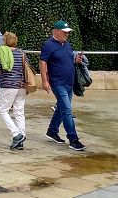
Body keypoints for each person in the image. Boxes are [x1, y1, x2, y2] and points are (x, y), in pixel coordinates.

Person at [40, 20, 87, 152]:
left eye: (68, 32)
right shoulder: (48, 45)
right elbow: (43, 63)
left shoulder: (67, 44)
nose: (67, 34)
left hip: (69, 83)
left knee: (61, 108)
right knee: (67, 110)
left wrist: (76, 60)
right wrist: (44, 81)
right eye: (65, 32)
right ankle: (73, 139)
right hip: (58, 83)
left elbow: (67, 59)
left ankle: (52, 131)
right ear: (56, 31)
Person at [0, 32, 27, 150]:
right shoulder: (22, 53)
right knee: (19, 111)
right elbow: (26, 68)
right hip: (21, 85)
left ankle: (16, 134)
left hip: (8, 85)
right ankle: (21, 138)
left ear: (5, 41)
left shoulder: (2, 52)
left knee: (2, 110)